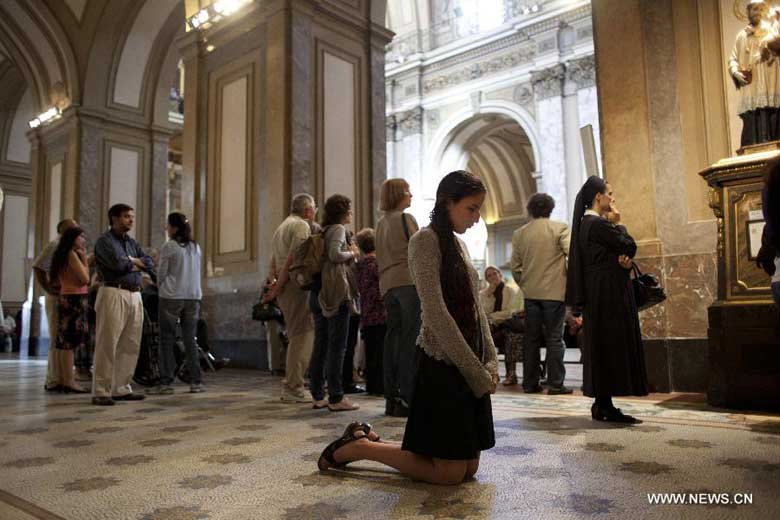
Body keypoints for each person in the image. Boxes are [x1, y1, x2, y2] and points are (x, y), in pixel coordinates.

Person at [317, 170, 498, 486]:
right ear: (447, 203)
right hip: (444, 365)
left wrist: (491, 360)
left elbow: (476, 310)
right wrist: (475, 372)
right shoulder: (424, 241)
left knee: (468, 468)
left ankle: (363, 439)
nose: (477, 217)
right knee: (450, 473)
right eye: (471, 208)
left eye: (479, 209)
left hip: (469, 365)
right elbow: (436, 314)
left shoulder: (460, 246)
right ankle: (358, 447)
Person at [565, 176, 648, 423]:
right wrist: (619, 225)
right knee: (609, 346)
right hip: (608, 294)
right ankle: (604, 405)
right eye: (609, 193)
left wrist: (621, 261)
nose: (612, 198)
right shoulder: (598, 225)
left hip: (601, 292)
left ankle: (603, 404)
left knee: (604, 346)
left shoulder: (587, 224)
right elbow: (629, 246)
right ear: (598, 197)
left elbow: (619, 253)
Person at [92, 203, 153, 405]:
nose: (131, 220)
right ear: (115, 218)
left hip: (135, 295)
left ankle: (121, 388)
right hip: (113, 292)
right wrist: (136, 264)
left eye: (132, 216)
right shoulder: (104, 242)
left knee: (130, 343)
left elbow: (150, 262)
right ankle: (101, 390)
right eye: (127, 216)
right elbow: (117, 265)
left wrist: (132, 260)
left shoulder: (132, 243)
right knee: (107, 343)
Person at [511, 193, 572, 395]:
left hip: (531, 294)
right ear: (551, 208)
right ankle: (555, 384)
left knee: (531, 340)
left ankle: (530, 383)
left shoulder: (520, 233)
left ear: (531, 209)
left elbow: (515, 268)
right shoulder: (560, 228)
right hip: (554, 293)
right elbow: (571, 253)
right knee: (555, 339)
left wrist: (526, 284)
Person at [308, 194, 360, 411]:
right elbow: (334, 254)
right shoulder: (338, 229)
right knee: (337, 346)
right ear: (343, 211)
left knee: (320, 344)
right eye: (349, 209)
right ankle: (336, 397)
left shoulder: (323, 230)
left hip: (318, 291)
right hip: (335, 292)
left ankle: (318, 394)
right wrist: (353, 252)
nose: (351, 212)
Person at [264, 194, 317, 403]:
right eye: (314, 209)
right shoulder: (301, 226)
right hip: (295, 286)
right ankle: (293, 386)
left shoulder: (282, 227)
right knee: (302, 336)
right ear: (307, 210)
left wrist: (274, 283)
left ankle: (294, 383)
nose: (315, 214)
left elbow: (273, 261)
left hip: (286, 287)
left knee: (297, 334)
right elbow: (294, 259)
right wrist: (278, 286)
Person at [375, 178, 421, 417]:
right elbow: (420, 249)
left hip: (387, 285)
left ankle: (391, 398)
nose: (411, 195)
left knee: (391, 341)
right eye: (408, 191)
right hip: (407, 283)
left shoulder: (381, 223)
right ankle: (407, 396)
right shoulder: (406, 219)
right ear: (400, 194)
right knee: (408, 341)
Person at [147, 212, 204, 395]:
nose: (166, 228)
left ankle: (166, 382)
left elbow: (161, 272)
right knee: (190, 339)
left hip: (171, 296)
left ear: (175, 227)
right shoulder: (196, 247)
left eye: (168, 225)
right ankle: (196, 382)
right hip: (193, 297)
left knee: (167, 338)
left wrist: (161, 285)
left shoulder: (169, 246)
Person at [32, 218, 79, 391]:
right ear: (62, 231)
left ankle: (61, 377)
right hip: (57, 295)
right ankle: (53, 379)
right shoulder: (55, 245)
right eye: (72, 228)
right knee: (56, 336)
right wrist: (48, 288)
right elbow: (38, 267)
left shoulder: (69, 248)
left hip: (67, 295)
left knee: (63, 338)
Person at [729, 0, 780, 146]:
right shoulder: (741, 36)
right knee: (753, 125)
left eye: (761, 9)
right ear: (747, 12)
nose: (758, 12)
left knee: (774, 118)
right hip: (752, 89)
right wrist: (735, 71)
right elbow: (732, 59)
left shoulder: (773, 30)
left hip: (772, 84)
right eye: (754, 9)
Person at [48, 226, 90, 393]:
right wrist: (84, 258)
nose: (83, 240)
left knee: (64, 342)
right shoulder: (72, 255)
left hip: (67, 296)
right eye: (81, 237)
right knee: (69, 343)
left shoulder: (62, 254)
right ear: (72, 239)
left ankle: (64, 379)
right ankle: (69, 381)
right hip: (74, 299)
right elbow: (85, 279)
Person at [354, 228, 386, 396]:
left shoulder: (358, 265)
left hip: (366, 314)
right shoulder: (376, 265)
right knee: (381, 353)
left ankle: (372, 385)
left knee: (371, 352)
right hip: (380, 313)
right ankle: (380, 386)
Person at [479, 266, 523, 386]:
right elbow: (483, 311)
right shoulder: (483, 294)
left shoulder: (510, 291)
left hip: (504, 325)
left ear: (500, 274)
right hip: (489, 326)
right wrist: (490, 294)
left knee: (508, 335)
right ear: (486, 279)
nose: (493, 277)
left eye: (495, 273)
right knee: (483, 339)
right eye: (489, 275)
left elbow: (509, 312)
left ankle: (510, 374)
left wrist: (492, 318)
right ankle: (489, 373)